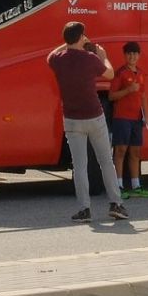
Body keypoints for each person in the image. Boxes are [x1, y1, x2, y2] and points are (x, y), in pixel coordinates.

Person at [47, 22, 128, 222]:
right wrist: (104, 56)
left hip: (72, 120)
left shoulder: (58, 60)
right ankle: (116, 204)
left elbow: (49, 55)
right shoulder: (91, 59)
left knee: (80, 166)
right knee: (105, 161)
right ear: (82, 37)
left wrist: (68, 44)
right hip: (94, 116)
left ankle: (85, 209)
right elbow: (109, 74)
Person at [109, 41, 148, 199]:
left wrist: (146, 116)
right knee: (120, 151)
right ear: (125, 55)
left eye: (135, 54)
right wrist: (128, 90)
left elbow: (143, 96)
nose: (132, 56)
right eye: (129, 54)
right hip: (122, 118)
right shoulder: (120, 73)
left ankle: (136, 186)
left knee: (135, 152)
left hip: (136, 118)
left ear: (139, 56)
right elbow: (112, 96)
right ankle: (118, 186)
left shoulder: (140, 73)